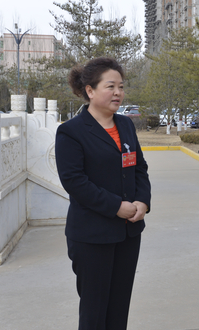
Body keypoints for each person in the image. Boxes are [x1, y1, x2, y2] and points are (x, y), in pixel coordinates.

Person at [55, 57, 151, 330]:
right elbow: (74, 182)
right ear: (90, 91)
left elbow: (139, 168)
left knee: (119, 307)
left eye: (121, 86)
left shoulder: (126, 125)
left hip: (128, 232)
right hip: (92, 235)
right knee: (95, 311)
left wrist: (142, 201)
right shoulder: (71, 132)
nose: (118, 93)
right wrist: (116, 206)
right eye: (111, 86)